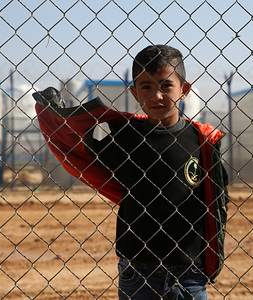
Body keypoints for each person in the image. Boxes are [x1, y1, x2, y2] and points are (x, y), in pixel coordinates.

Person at [33, 44, 229, 299]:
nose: (157, 96)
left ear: (185, 90)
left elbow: (215, 203)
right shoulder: (124, 137)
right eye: (146, 87)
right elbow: (80, 151)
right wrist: (61, 119)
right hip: (138, 271)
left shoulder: (201, 142)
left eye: (165, 85)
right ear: (135, 93)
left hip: (190, 272)